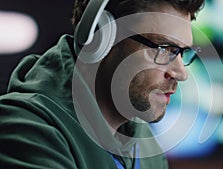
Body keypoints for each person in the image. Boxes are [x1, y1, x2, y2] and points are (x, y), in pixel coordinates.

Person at [0, 0, 204, 168]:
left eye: (182, 52)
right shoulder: (27, 131)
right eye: (163, 49)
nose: (181, 73)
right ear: (100, 37)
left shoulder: (148, 148)